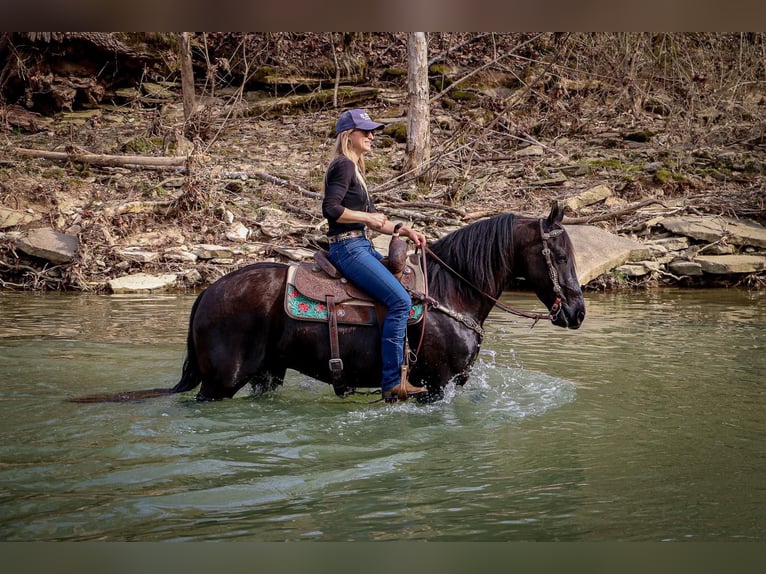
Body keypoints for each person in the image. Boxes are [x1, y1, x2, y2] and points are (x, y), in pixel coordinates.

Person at [322, 108, 428, 403]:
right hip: (348, 247)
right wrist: (367, 219)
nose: (371, 136)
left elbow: (373, 220)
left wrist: (404, 230)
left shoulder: (355, 168)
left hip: (361, 244)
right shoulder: (343, 165)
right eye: (365, 131)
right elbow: (331, 209)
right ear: (348, 135)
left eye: (372, 131)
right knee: (400, 301)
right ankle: (393, 382)